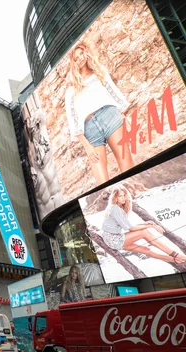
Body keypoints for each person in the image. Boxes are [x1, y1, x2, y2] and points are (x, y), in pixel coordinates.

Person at [64, 41, 134, 186]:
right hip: (90, 130)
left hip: (111, 117)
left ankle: (136, 196)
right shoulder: (71, 89)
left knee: (126, 165)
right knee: (102, 183)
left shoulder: (99, 73)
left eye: (81, 54)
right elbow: (73, 120)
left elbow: (115, 94)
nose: (80, 59)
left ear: (86, 53)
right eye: (75, 58)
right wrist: (86, 146)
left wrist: (125, 115)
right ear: (73, 63)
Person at [101, 185, 186, 265]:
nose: (123, 198)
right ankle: (175, 254)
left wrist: (145, 224)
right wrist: (151, 226)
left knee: (146, 250)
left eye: (124, 195)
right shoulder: (116, 209)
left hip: (112, 239)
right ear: (115, 197)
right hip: (114, 239)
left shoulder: (116, 208)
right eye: (120, 196)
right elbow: (131, 228)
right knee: (144, 232)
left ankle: (175, 260)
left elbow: (130, 227)